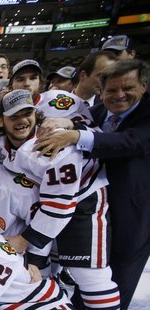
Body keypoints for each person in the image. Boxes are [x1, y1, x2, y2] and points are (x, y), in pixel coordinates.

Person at [33, 59, 150, 309]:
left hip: (131, 213)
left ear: (143, 85)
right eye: (111, 90)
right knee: (81, 281)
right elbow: (82, 124)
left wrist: (75, 135)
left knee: (115, 277)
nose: (119, 95)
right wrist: (71, 124)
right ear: (101, 90)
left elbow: (130, 142)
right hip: (91, 209)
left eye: (128, 88)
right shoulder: (96, 112)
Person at [0, 89, 120, 309]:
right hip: (44, 209)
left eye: (27, 113)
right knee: (44, 268)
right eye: (14, 116)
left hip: (82, 202)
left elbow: (60, 205)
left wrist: (24, 240)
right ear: (2, 121)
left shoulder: (55, 145)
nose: (22, 120)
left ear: (36, 114)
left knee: (89, 276)